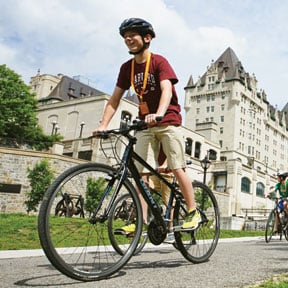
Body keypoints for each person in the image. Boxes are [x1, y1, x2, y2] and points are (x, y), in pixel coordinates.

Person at [93, 17, 201, 233]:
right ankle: (140, 221)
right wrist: (103, 125)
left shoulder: (159, 62)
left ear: (147, 38)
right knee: (141, 174)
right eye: (125, 36)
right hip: (145, 125)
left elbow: (166, 89)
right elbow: (114, 99)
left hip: (167, 120)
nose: (128, 39)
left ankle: (192, 211)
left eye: (132, 34)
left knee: (177, 167)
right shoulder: (127, 69)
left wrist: (159, 114)